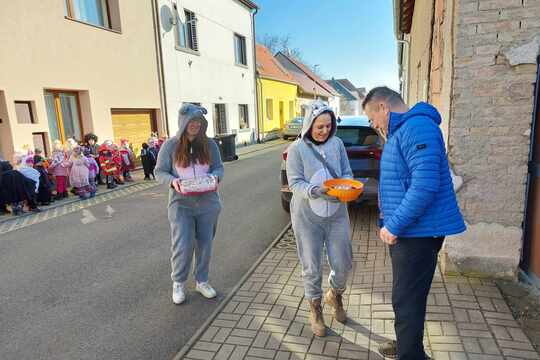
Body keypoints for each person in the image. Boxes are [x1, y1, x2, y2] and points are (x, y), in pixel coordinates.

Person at [362, 87, 466, 360]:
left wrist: (393, 225)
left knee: (406, 300)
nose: (374, 125)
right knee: (408, 298)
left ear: (384, 107)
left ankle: (411, 354)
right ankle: (409, 344)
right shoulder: (402, 131)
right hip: (412, 231)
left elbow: (424, 186)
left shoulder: (417, 128)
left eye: (373, 117)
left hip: (417, 233)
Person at [285, 100, 353, 337]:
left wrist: (343, 189)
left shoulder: (338, 144)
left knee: (342, 262)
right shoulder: (296, 150)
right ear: (309, 125)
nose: (324, 131)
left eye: (328, 125)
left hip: (336, 215)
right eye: (319, 126)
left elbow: (347, 173)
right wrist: (317, 190)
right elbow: (294, 182)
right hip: (307, 217)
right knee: (312, 266)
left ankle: (334, 295)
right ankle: (315, 309)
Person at [156, 103, 224, 305]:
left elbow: (219, 168)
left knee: (205, 244)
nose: (195, 125)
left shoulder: (209, 144)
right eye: (192, 121)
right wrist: (172, 181)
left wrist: (214, 177)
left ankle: (202, 281)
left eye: (199, 121)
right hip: (181, 204)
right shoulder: (170, 145)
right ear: (183, 122)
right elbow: (159, 172)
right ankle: (178, 282)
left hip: (208, 202)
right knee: (183, 244)